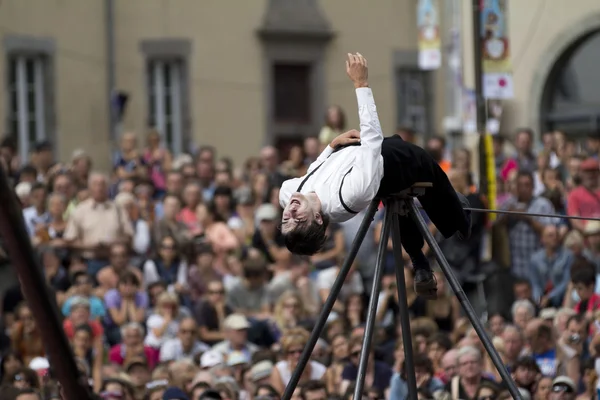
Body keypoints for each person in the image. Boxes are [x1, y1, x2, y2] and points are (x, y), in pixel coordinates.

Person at [279, 53, 470, 297]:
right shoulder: (348, 196)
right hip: (388, 162)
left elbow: (314, 170)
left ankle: (419, 259)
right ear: (318, 219)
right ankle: (459, 218)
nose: (291, 213)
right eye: (298, 220)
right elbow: (372, 141)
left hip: (355, 157)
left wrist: (331, 146)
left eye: (286, 219)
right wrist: (361, 85)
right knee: (426, 169)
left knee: (399, 204)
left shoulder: (289, 194)